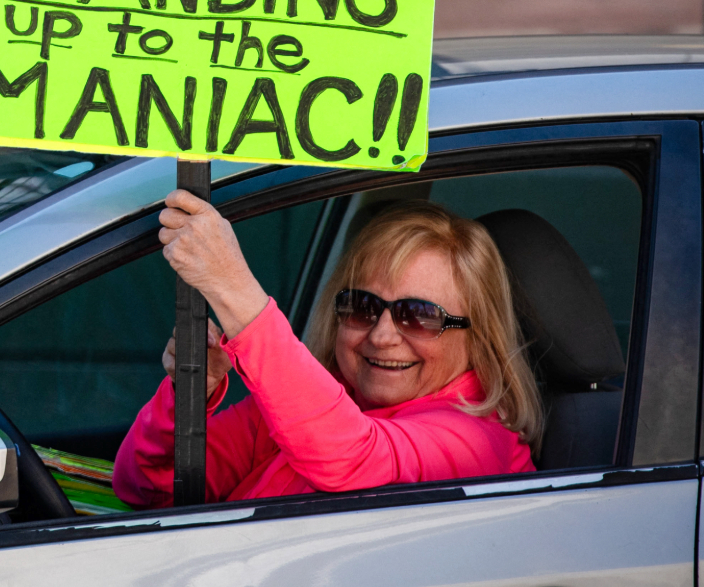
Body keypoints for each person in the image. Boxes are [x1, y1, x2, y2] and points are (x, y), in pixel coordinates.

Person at [112, 193, 540, 506]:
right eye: (362, 306)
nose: (382, 335)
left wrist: (232, 288)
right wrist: (189, 392)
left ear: (478, 334)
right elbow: (149, 488)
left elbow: (352, 458)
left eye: (419, 315)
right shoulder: (296, 411)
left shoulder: (479, 437)